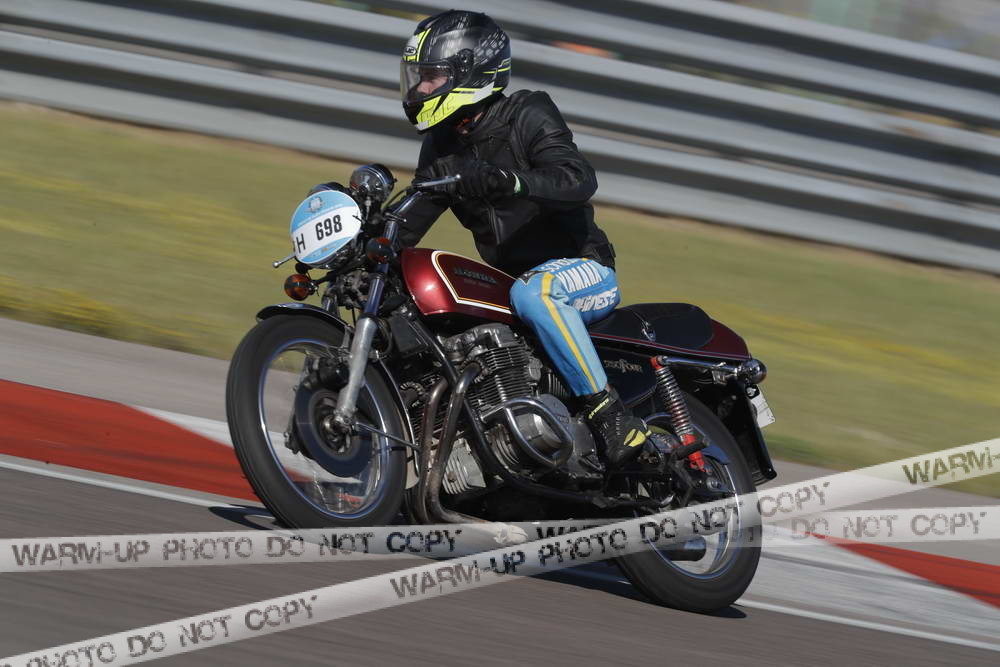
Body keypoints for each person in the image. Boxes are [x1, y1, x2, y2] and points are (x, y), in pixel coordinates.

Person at [397, 10, 651, 468]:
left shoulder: (528, 112)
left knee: (536, 292)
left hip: (581, 268)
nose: (420, 88)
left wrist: (509, 180)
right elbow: (410, 220)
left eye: (432, 77)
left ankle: (609, 413)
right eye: (419, 77)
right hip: (510, 285)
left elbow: (578, 179)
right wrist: (367, 237)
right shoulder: (441, 146)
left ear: (470, 72)